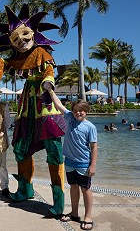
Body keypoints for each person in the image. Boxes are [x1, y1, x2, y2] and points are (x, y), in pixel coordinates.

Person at [0, 4, 67, 215]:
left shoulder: (42, 53)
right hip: (27, 110)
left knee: (55, 153)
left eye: (25, 35)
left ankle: (58, 201)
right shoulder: (19, 59)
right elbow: (3, 65)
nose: (22, 41)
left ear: (34, 34)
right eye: (16, 40)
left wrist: (48, 83)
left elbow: (49, 70)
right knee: (20, 148)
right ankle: (25, 189)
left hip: (45, 110)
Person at [47, 89, 98, 231]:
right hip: (69, 161)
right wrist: (51, 92)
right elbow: (58, 105)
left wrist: (92, 165)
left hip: (83, 163)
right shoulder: (69, 118)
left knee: (85, 189)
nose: (78, 113)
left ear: (86, 111)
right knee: (73, 187)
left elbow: (94, 148)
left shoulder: (90, 127)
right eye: (76, 110)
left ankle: (88, 216)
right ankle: (74, 213)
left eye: (81, 111)